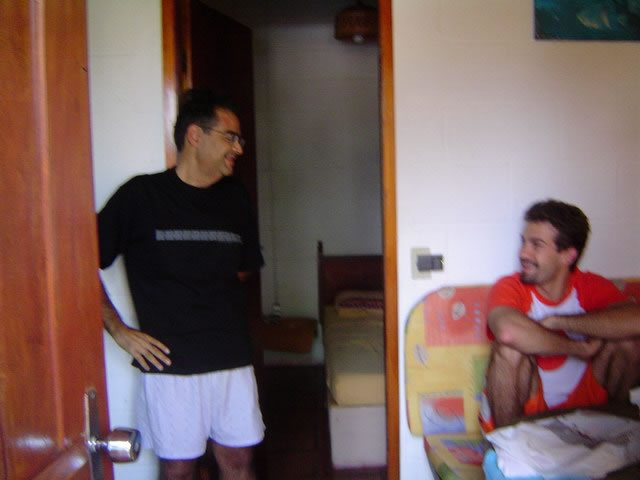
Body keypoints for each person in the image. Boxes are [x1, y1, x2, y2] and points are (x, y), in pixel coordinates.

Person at [98, 89, 264, 480]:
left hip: (230, 358)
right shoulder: (140, 196)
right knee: (178, 468)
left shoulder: (236, 198)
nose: (239, 149)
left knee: (239, 463)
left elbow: (244, 268)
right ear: (195, 136)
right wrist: (119, 330)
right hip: (168, 364)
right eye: (231, 137)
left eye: (240, 140)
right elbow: (76, 265)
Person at [480, 199, 640, 432]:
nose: (523, 253)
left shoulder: (589, 286)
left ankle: (616, 431)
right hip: (528, 411)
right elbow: (507, 332)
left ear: (568, 256)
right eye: (524, 242)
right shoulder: (510, 286)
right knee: (509, 350)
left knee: (627, 341)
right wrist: (578, 348)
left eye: (536, 245)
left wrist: (560, 321)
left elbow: (635, 320)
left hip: (587, 406)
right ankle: (507, 445)